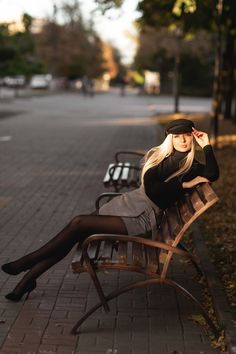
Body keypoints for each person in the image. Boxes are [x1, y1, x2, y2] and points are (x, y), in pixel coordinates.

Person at [1, 119, 219, 302]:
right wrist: (180, 186)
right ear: (170, 139)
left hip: (142, 216)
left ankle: (25, 264)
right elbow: (151, 186)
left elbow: (209, 175)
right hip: (129, 204)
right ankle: (26, 281)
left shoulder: (191, 167)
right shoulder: (161, 157)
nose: (182, 140)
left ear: (193, 137)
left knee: (78, 223)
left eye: (186, 136)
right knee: (74, 232)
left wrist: (206, 146)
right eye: (177, 136)